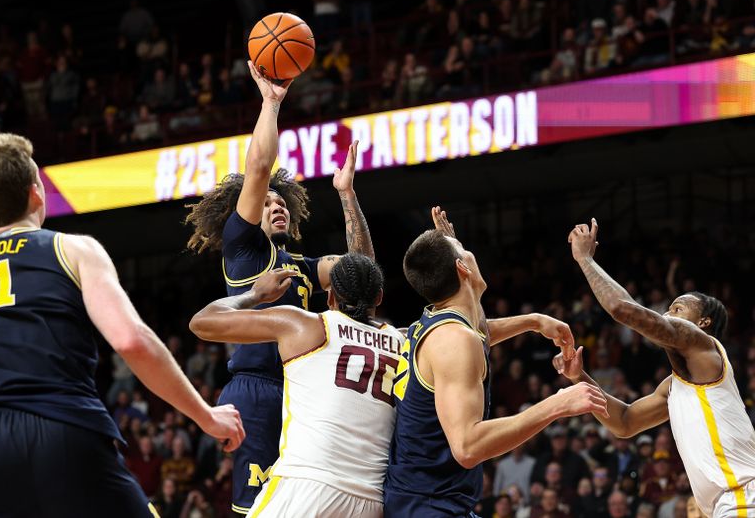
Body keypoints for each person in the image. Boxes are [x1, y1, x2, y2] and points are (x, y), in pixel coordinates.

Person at [0, 133, 244, 517]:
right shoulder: (73, 249)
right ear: (36, 192)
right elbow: (130, 341)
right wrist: (206, 416)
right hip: (65, 428)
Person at [184, 60, 374, 516]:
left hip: (305, 392)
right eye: (266, 201)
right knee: (255, 509)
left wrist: (347, 194)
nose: (275, 206)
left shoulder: (305, 267)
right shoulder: (244, 247)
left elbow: (362, 267)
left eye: (281, 201)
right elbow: (259, 168)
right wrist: (271, 103)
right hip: (257, 389)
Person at [383, 208, 610, 517]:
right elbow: (467, 447)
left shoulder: (438, 321)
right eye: (463, 250)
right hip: (430, 505)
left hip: (423, 498)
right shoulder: (455, 341)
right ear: (462, 268)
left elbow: (478, 331)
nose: (471, 251)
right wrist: (557, 405)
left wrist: (533, 321)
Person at [555, 218, 755, 518]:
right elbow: (624, 422)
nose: (666, 315)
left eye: (677, 309)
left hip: (742, 499)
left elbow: (622, 309)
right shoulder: (675, 385)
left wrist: (584, 259)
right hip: (724, 506)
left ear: (703, 323)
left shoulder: (704, 347)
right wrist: (578, 377)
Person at [190, 255, 404, 517]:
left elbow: (201, 323)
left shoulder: (306, 326)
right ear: (379, 297)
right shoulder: (403, 341)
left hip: (308, 486)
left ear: (329, 298)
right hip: (371, 501)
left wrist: (255, 294)